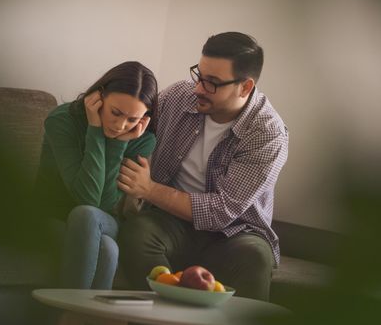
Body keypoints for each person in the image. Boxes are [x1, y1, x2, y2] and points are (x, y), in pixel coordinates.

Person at [117, 32, 288, 300]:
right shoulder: (178, 97)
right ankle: (159, 316)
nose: (198, 88)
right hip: (169, 221)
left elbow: (223, 212)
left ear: (245, 87)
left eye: (212, 83)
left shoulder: (267, 133)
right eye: (199, 75)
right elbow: (131, 124)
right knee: (137, 233)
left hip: (235, 232)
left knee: (254, 257)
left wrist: (149, 189)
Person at [35, 61, 157, 289]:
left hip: (102, 221)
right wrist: (95, 130)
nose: (121, 125)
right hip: (52, 216)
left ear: (144, 117)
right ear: (99, 97)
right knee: (108, 251)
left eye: (132, 119)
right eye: (116, 112)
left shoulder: (142, 139)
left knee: (88, 216)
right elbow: (88, 199)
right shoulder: (62, 121)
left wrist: (120, 143)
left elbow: (102, 204)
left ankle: (71, 315)